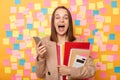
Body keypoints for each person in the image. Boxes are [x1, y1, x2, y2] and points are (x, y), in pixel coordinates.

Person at [35, 6, 96, 80]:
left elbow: (91, 70)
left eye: (65, 18)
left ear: (69, 22)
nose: (61, 20)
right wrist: (41, 57)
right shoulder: (44, 43)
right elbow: (40, 74)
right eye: (57, 17)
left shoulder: (79, 43)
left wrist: (70, 71)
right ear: (53, 22)